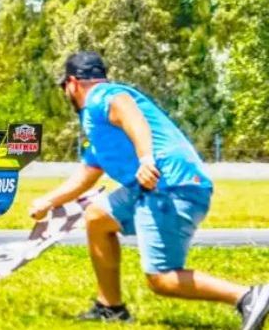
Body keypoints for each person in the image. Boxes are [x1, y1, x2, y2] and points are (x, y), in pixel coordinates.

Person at [29, 51, 269, 329]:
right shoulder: (97, 125)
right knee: (97, 217)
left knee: (162, 278)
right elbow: (87, 174)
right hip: (149, 187)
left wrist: (145, 158)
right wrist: (48, 201)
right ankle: (110, 307)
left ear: (72, 82)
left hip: (171, 185)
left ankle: (248, 296)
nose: (65, 93)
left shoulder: (102, 97)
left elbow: (129, 112)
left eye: (63, 87)